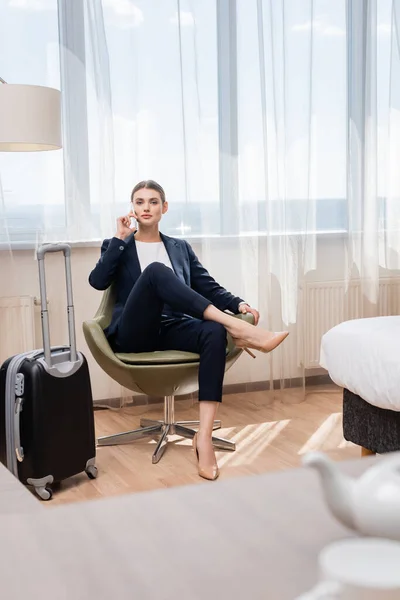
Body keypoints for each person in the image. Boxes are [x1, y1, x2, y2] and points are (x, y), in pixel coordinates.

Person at [89, 180, 288, 480]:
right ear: (132, 208)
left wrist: (239, 303)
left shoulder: (180, 248)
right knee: (156, 273)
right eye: (140, 202)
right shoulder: (119, 245)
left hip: (172, 326)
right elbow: (98, 281)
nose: (146, 207)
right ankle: (236, 328)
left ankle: (203, 438)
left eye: (153, 202)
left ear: (164, 208)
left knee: (213, 332)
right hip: (135, 333)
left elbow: (206, 285)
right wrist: (119, 238)